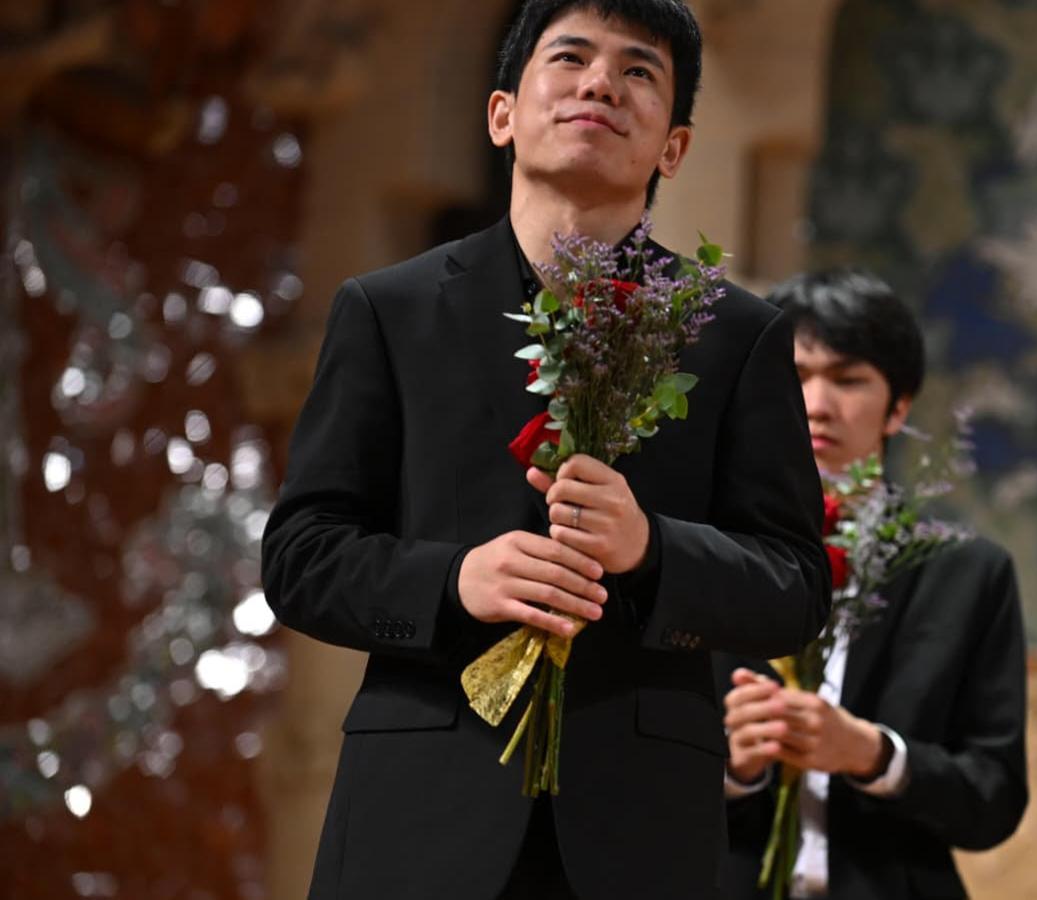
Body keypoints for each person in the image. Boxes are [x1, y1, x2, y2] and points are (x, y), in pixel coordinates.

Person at [260, 2, 831, 898]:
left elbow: (796, 586)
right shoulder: (389, 310)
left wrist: (654, 549)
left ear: (672, 148)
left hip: (639, 832)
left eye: (639, 71)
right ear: (501, 115)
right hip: (417, 819)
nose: (601, 83)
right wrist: (454, 582)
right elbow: (300, 557)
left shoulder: (736, 336)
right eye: (570, 58)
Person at [715, 270, 1029, 900]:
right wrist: (735, 769)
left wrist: (874, 754)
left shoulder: (966, 573)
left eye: (849, 379)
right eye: (795, 375)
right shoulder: (708, 554)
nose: (817, 404)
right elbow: (622, 781)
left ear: (900, 407)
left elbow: (993, 799)